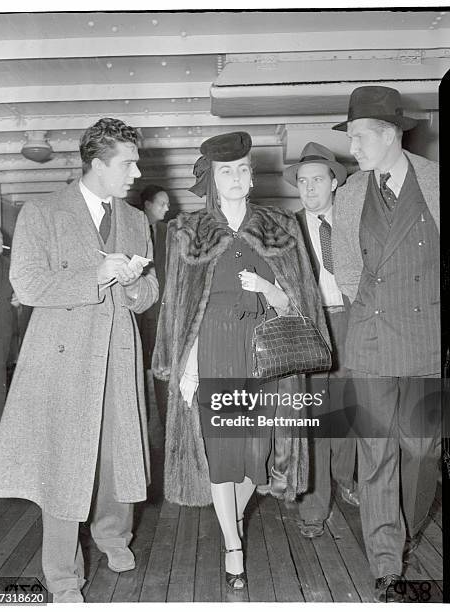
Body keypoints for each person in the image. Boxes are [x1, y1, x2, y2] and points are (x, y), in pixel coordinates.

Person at [0, 118, 158, 603]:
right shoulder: (42, 212)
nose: (135, 171)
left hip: (118, 356)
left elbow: (149, 293)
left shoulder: (136, 220)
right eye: (127, 162)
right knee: (65, 464)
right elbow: (27, 285)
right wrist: (96, 275)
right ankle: (62, 576)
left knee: (118, 457)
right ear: (97, 163)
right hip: (62, 360)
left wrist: (131, 284)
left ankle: (114, 537)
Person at [153, 131, 327, 589]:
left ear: (252, 178)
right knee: (221, 455)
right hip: (212, 349)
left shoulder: (281, 225)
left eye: (243, 169)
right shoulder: (186, 231)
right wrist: (187, 366)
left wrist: (269, 290)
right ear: (211, 179)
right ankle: (233, 545)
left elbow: (300, 302)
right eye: (226, 171)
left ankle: (236, 519)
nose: (236, 177)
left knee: (258, 454)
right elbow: (179, 307)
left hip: (262, 353)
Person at [331, 86, 439, 602]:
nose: (352, 148)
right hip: (370, 341)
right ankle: (386, 564)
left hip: (426, 338)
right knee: (375, 456)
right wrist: (375, 307)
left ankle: (410, 531)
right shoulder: (350, 193)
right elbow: (344, 267)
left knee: (421, 453)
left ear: (390, 135)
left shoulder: (436, 181)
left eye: (358, 137)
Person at [283, 142, 358, 539]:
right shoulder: (287, 230)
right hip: (311, 328)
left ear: (334, 182)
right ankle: (313, 508)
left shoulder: (354, 221)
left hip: (353, 324)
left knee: (348, 410)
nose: (309, 188)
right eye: (302, 181)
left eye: (317, 179)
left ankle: (346, 477)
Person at [136, 185, 170, 426]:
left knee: (164, 370)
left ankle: (167, 422)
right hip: (136, 313)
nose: (167, 208)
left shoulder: (169, 232)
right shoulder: (131, 229)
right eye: (162, 203)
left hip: (161, 314)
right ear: (147, 204)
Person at [0, 224, 19, 432]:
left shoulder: (8, 264)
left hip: (4, 326)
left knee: (0, 369)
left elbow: (15, 291)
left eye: (0, 236)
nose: (0, 240)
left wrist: (18, 299)